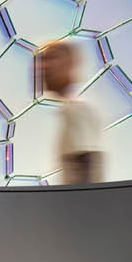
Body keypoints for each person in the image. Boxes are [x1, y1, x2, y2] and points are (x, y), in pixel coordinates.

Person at [41, 40, 105, 185]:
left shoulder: (79, 110)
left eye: (52, 58)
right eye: (42, 60)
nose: (44, 67)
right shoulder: (68, 110)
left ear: (70, 64)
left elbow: (87, 169)